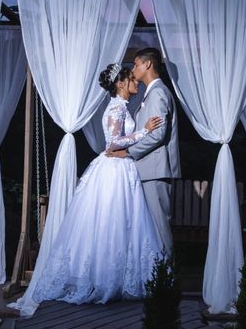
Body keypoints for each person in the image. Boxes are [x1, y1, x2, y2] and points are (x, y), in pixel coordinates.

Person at [10, 64, 164, 316]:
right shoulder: (116, 108)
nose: (136, 82)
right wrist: (142, 133)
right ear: (121, 84)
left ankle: (115, 277)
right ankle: (104, 279)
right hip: (114, 171)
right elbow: (113, 143)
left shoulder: (121, 107)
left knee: (122, 223)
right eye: (131, 79)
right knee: (110, 223)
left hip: (121, 169)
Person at [107, 48, 180, 257]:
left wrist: (127, 152)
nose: (134, 68)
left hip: (155, 171)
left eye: (137, 64)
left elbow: (157, 135)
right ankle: (156, 281)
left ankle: (165, 283)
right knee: (151, 231)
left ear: (147, 64)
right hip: (148, 171)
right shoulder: (151, 94)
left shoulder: (158, 93)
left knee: (159, 229)